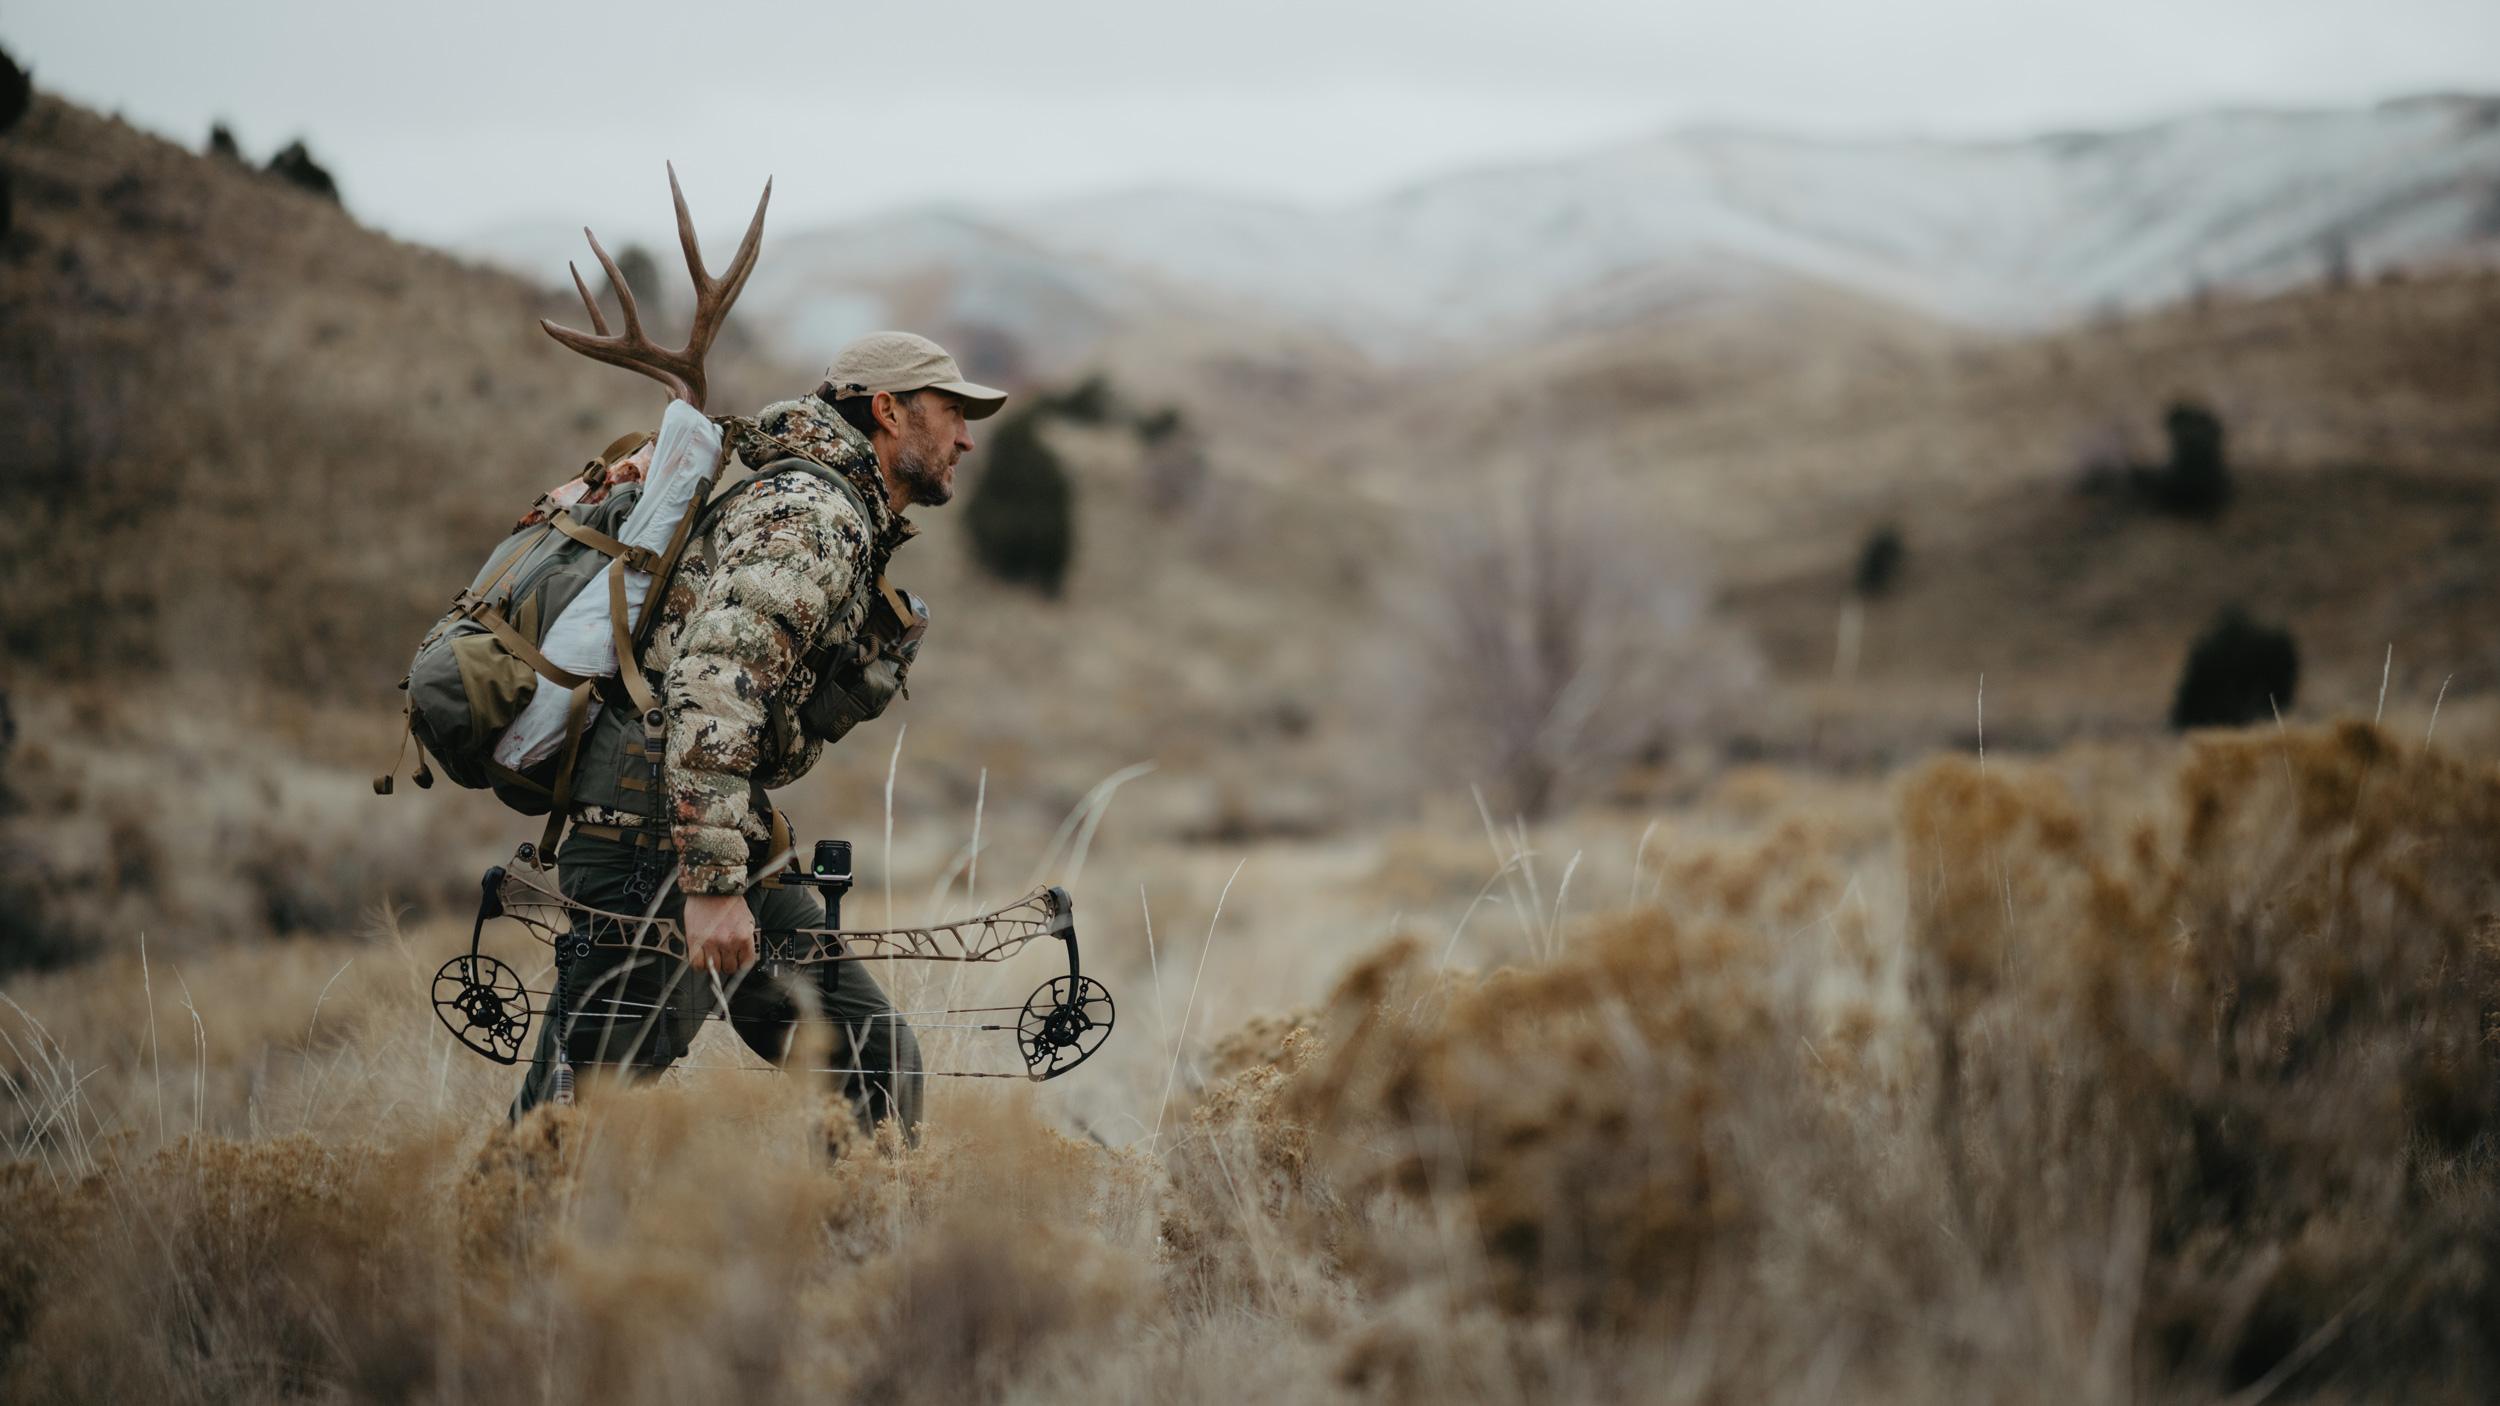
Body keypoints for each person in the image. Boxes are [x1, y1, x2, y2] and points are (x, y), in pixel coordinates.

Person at [510, 331, 1005, 1138]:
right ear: (887, 411)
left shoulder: (836, 509)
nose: (964, 437)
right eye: (950, 412)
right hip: (653, 839)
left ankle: (859, 1247)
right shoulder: (813, 515)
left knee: (872, 1062)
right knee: (573, 1127)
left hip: (712, 826)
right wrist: (710, 888)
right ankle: (501, 1243)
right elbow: (712, 686)